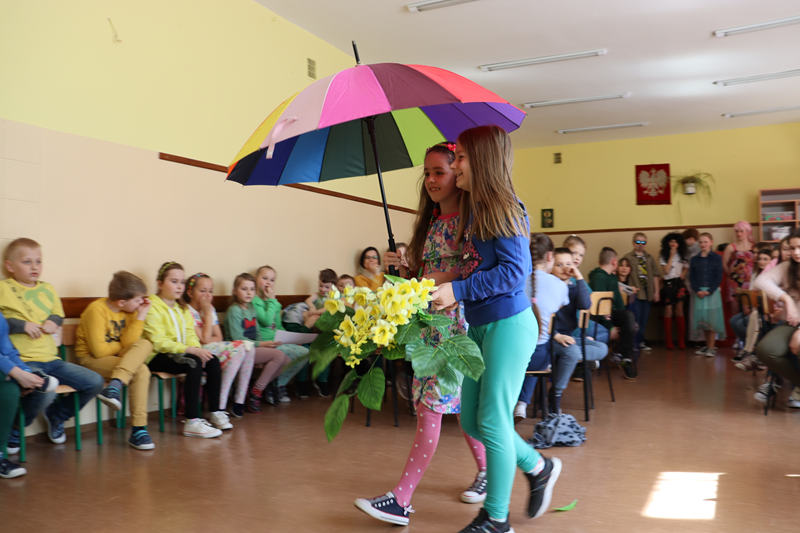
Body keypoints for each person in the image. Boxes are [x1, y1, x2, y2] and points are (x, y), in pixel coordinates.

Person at [430, 126, 561, 533]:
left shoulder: (505, 207)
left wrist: (458, 290)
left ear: (483, 161)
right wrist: (439, 281)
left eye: (461, 158)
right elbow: (477, 267)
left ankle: (496, 519)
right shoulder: (475, 209)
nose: (455, 165)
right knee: (472, 421)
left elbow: (513, 273)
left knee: (493, 421)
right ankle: (538, 467)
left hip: (508, 325)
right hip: (481, 325)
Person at [354, 142, 488, 526]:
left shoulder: (470, 222)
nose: (430, 179)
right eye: (426, 173)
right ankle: (487, 472)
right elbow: (418, 280)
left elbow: (472, 270)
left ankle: (401, 499)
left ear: (457, 175)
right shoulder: (430, 223)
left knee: (432, 408)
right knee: (456, 408)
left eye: (439, 172)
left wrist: (431, 279)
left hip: (455, 327)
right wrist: (404, 269)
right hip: (426, 328)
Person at [0, 238, 104, 447]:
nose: (34, 267)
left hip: (52, 360)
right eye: (27, 262)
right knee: (43, 388)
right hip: (23, 362)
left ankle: (57, 415)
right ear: (10, 266)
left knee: (95, 381)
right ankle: (16, 428)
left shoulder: (48, 288)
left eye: (38, 261)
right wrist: (21, 325)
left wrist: (53, 321)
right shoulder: (3, 288)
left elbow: (58, 314)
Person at [144, 262, 228, 438]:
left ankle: (216, 411)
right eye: (174, 281)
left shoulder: (182, 308)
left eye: (182, 282)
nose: (179, 286)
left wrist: (196, 349)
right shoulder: (152, 305)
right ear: (160, 283)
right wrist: (191, 351)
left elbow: (190, 334)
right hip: (157, 356)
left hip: (179, 352)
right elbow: (158, 342)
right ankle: (192, 422)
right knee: (193, 362)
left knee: (212, 360)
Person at [75, 271, 155, 450]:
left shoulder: (130, 311)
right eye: (138, 300)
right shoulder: (96, 310)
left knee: (145, 344)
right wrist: (121, 346)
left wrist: (141, 314)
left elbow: (130, 342)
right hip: (91, 360)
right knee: (141, 370)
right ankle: (139, 429)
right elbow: (99, 351)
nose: (141, 303)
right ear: (121, 302)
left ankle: (115, 386)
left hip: (117, 360)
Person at [184, 273, 256, 418]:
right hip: (198, 351)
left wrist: (208, 315)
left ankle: (239, 400)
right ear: (190, 293)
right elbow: (204, 340)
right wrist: (207, 314)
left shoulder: (210, 309)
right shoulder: (187, 311)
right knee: (241, 348)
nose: (207, 295)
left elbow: (219, 336)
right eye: (202, 291)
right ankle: (220, 404)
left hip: (214, 347)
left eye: (210, 291)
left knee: (249, 347)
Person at [515, 234, 568, 420]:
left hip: (511, 355)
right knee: (545, 348)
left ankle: (518, 402)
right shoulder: (560, 286)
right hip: (538, 358)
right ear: (550, 256)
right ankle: (523, 403)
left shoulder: (513, 280)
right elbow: (557, 310)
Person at [220, 273, 291, 412]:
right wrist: (262, 345)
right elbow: (237, 339)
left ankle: (255, 387)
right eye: (244, 289)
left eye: (252, 289)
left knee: (287, 360)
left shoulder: (251, 308)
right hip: (238, 350)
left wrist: (264, 348)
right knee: (279, 356)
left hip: (252, 348)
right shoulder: (234, 310)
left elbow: (257, 332)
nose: (249, 292)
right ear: (235, 291)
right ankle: (256, 392)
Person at [548, 248, 609, 408]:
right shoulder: (548, 288)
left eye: (568, 264)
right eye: (559, 265)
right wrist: (556, 336)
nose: (565, 268)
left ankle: (571, 357)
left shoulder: (573, 288)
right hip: (551, 337)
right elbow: (542, 320)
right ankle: (556, 394)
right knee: (573, 352)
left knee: (602, 348)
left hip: (570, 339)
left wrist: (579, 277)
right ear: (550, 267)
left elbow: (585, 305)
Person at [753, 228, 800, 408]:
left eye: (799, 247)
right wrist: (786, 299)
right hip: (792, 322)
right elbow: (760, 281)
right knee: (766, 350)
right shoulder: (787, 266)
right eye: (792, 248)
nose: (795, 252)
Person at [253, 265, 311, 403]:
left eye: (272, 280)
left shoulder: (275, 304)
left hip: (277, 341)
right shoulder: (254, 301)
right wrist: (272, 300)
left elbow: (278, 326)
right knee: (285, 355)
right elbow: (267, 321)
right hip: (265, 343)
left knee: (305, 352)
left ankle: (278, 384)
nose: (268, 283)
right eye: (265, 278)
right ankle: (270, 386)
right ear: (256, 279)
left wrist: (291, 339)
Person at [587, 247, 638, 379]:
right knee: (628, 323)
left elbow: (619, 304)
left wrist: (628, 321)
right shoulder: (599, 277)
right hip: (597, 317)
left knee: (629, 318)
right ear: (614, 262)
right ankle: (619, 354)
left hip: (610, 314)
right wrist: (610, 327)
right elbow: (599, 309)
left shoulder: (613, 278)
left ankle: (625, 357)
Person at [731, 247, 775, 371]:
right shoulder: (755, 274)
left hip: (767, 310)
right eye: (760, 259)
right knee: (734, 321)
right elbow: (751, 293)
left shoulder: (773, 275)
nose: (761, 262)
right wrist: (748, 306)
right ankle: (750, 349)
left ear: (771, 261)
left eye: (765, 259)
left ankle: (751, 351)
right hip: (755, 308)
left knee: (749, 320)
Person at [690, 234, 726, 357]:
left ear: (711, 242)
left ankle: (711, 347)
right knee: (704, 320)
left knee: (712, 320)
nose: (703, 244)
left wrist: (709, 291)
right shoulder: (694, 259)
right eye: (701, 242)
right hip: (699, 293)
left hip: (712, 293)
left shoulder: (716, 258)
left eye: (705, 242)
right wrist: (697, 290)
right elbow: (692, 277)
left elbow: (718, 276)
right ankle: (707, 346)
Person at [623, 233, 660, 351]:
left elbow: (655, 275)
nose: (640, 245)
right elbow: (623, 274)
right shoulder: (628, 257)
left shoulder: (649, 258)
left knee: (644, 319)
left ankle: (640, 341)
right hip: (635, 293)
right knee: (635, 319)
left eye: (643, 242)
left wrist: (656, 292)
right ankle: (633, 342)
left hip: (648, 292)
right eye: (638, 242)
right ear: (633, 243)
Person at [659, 233, 688, 350]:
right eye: (671, 241)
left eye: (675, 241)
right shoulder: (663, 255)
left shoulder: (683, 254)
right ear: (667, 243)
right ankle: (668, 340)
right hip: (668, 283)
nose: (673, 244)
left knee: (679, 309)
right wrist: (671, 255)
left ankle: (681, 340)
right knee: (668, 309)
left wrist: (683, 274)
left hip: (679, 282)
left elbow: (686, 266)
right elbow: (666, 270)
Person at [722, 221, 755, 320]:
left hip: (750, 281)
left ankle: (749, 329)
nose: (738, 234)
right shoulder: (730, 247)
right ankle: (736, 329)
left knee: (750, 308)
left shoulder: (754, 246)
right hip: (735, 282)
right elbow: (724, 264)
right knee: (735, 308)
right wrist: (731, 275)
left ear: (748, 232)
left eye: (741, 231)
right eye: (737, 231)